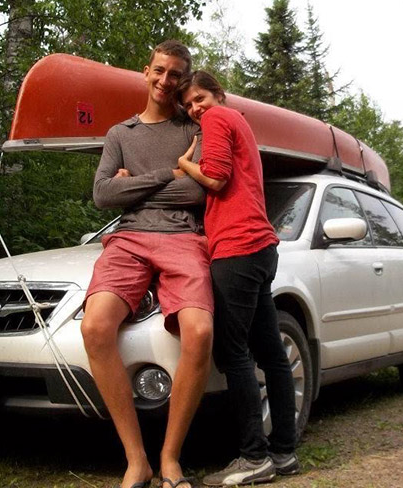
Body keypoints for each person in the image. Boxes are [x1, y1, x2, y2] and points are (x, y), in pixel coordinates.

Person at [81, 41, 214, 488]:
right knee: (95, 327)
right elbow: (102, 196)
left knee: (199, 331)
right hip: (130, 239)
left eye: (175, 74)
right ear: (145, 71)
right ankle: (136, 460)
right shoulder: (121, 134)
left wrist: (132, 185)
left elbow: (197, 194)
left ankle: (170, 458)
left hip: (183, 236)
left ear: (183, 79)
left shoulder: (191, 128)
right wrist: (168, 175)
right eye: (159, 71)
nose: (165, 81)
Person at [176, 71, 300, 487]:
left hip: (237, 247)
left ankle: (253, 457)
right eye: (189, 105)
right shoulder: (241, 122)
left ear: (218, 94)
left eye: (200, 98)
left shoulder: (216, 120)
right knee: (270, 351)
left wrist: (184, 163)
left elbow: (216, 179)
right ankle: (284, 451)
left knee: (233, 354)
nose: (195, 108)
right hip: (263, 246)